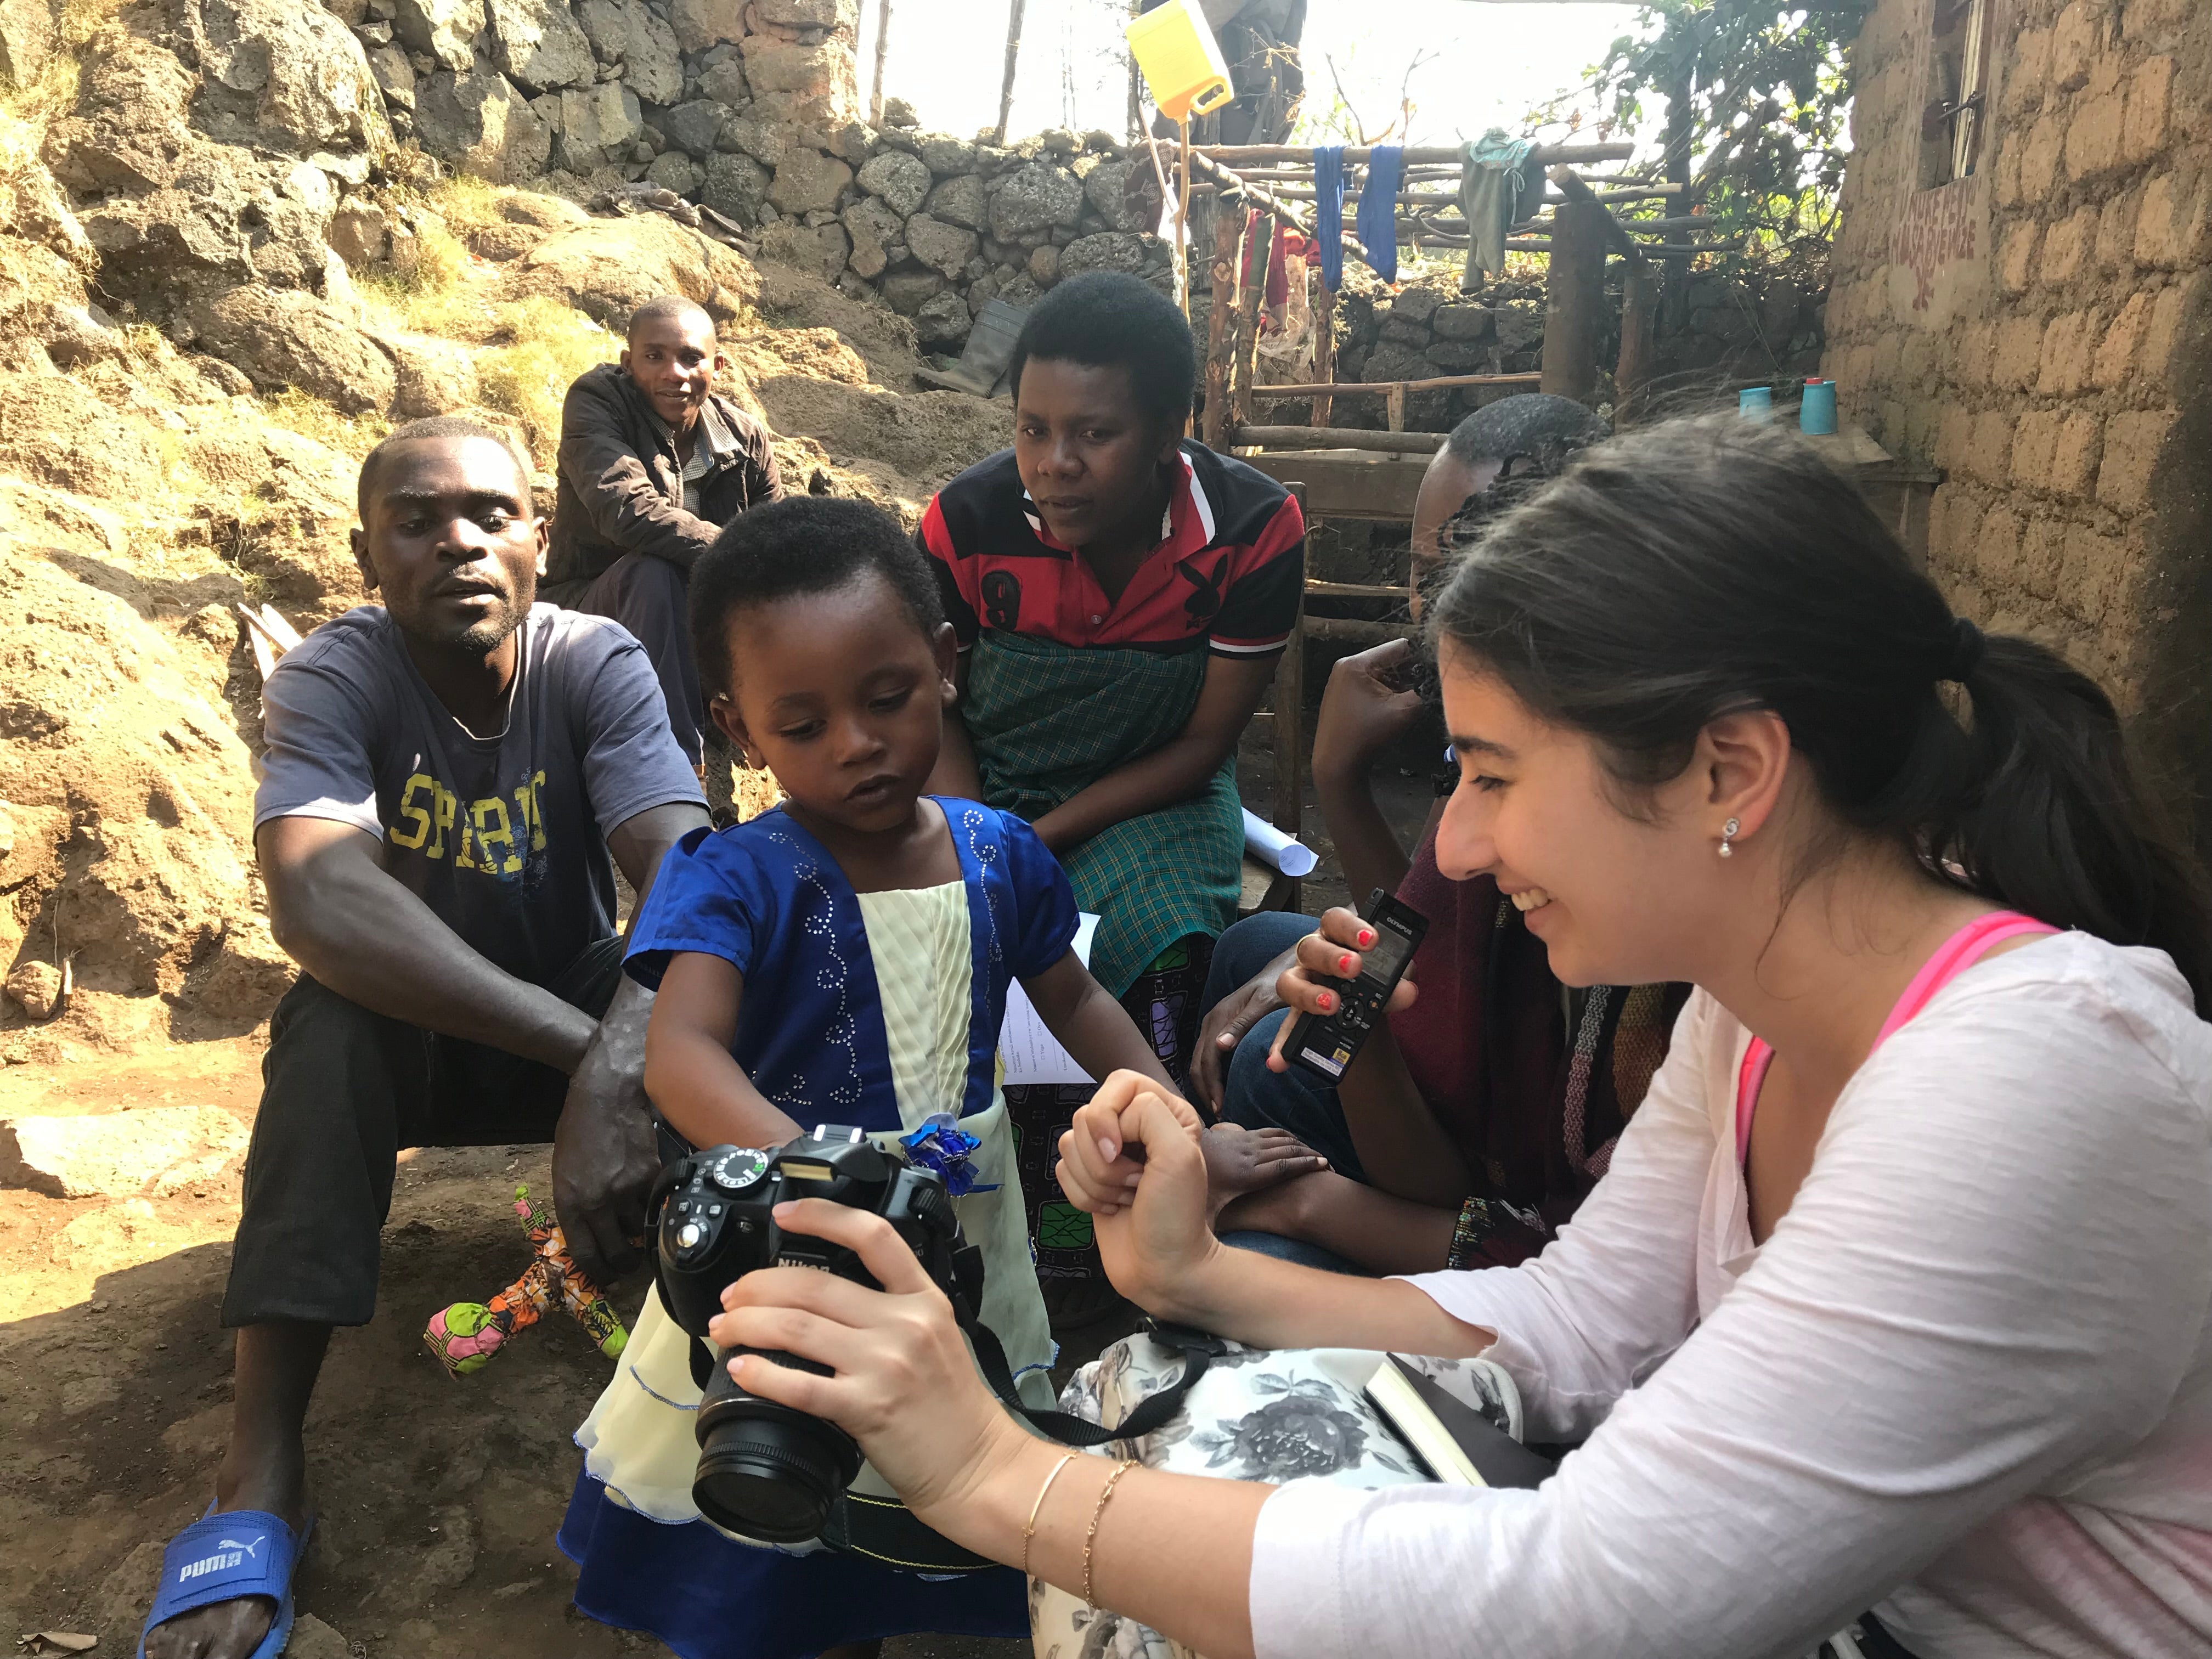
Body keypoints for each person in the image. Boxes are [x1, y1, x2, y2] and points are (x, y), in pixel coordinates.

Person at [686, 415, 2212, 1659]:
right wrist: (1199, 1268)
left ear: (1729, 771)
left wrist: (996, 1477)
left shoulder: (2026, 1080)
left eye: (1490, 774)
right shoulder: (1752, 1019)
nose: (1461, 848)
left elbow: (1594, 1600)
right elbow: (1578, 1329)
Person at [555, 496, 1184, 1659]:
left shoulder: (1004, 851)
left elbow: (1078, 999)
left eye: (887, 697)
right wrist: (815, 1178)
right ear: (739, 729)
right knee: (787, 1452)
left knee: (953, 1441)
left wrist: (1165, 1112)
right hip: (796, 1229)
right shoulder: (736, 873)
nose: (856, 741)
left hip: (968, 1219)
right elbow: (680, 1050)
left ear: (945, 666)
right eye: (802, 724)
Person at [140, 417, 709, 1659]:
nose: (459, 541)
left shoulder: (592, 661)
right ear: (367, 553)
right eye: (417, 519)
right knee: (328, 1024)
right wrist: (592, 1062)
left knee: (706, 996)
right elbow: (320, 897)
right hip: (435, 1038)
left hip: (577, 995)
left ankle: (721, 1366)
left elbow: (683, 867)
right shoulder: (335, 678)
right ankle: (261, 1469)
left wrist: (629, 1042)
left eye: (493, 516)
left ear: (539, 539)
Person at [1193, 395, 1679, 1276]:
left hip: (1505, 1223)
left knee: (1268, 1083)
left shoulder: (1682, 1001)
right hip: (1486, 1173)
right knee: (1256, 954)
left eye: (1446, 567)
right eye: (1422, 568)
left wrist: (1310, 1204)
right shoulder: (1546, 735)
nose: (1421, 601)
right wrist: (1343, 986)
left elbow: (1579, 1277)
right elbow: (1434, 929)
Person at [917, 269, 1304, 1312]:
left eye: (1093, 434)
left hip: (1158, 789)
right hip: (990, 785)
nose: (1053, 465)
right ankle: (995, 1220)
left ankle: (1127, 1227)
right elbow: (941, 710)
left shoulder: (1253, 529)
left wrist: (1032, 841)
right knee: (953, 962)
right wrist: (975, 839)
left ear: (1172, 429)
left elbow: (1204, 740)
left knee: (1157, 944)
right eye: (1031, 429)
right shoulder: (962, 523)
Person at [545, 294, 783, 770]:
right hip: (594, 614)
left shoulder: (746, 437)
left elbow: (773, 544)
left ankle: (778, 738)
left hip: (694, 631)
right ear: (628, 362)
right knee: (652, 572)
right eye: (654, 357)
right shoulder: (597, 402)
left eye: (691, 358)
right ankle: (676, 767)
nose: (674, 373)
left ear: (717, 366)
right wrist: (735, 553)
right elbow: (626, 512)